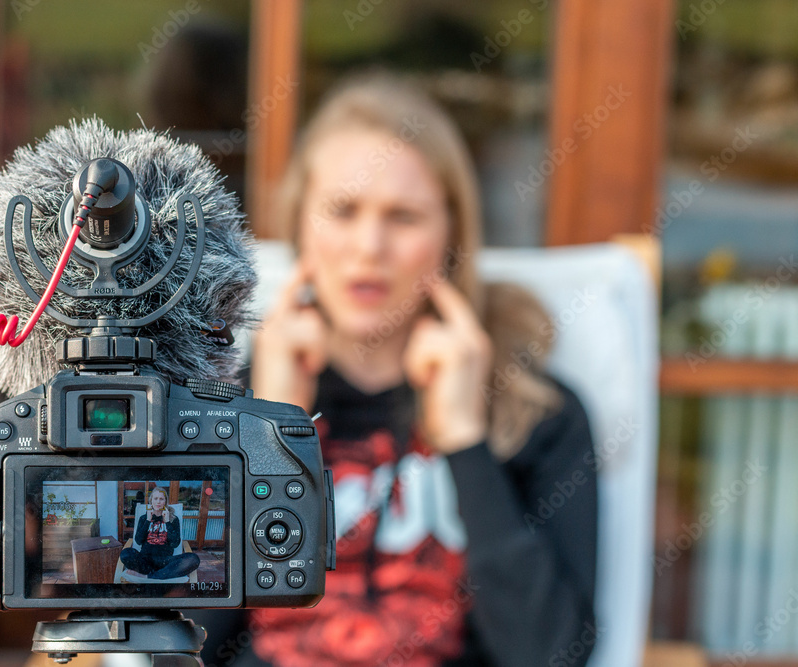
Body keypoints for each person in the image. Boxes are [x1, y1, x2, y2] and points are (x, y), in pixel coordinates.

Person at [195, 75, 599, 667]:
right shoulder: (219, 403)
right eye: (343, 211)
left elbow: (552, 655)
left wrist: (465, 443)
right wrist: (267, 435)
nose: (369, 246)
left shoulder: (536, 413)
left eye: (403, 217)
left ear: (452, 232)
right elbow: (180, 646)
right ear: (299, 223)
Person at [120, 487, 200, 580]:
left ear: (165, 501)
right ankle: (161, 574)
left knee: (193, 559)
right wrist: (148, 520)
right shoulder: (144, 518)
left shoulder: (173, 519)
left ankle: (148, 576)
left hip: (166, 561)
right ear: (151, 501)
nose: (158, 502)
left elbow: (175, 544)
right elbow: (138, 541)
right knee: (125, 554)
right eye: (155, 498)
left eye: (161, 499)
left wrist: (167, 522)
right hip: (145, 561)